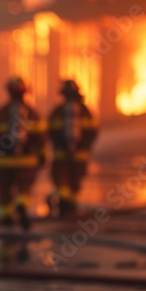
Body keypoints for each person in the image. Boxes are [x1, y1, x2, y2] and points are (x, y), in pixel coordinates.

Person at [0, 77, 45, 232]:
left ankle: (6, 218)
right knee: (24, 187)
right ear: (25, 92)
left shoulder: (0, 114)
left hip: (5, 162)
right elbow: (41, 138)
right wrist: (42, 155)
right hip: (27, 161)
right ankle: (21, 205)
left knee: (4, 189)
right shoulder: (33, 113)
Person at [47, 79, 99, 218]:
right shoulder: (86, 111)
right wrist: (85, 147)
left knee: (61, 179)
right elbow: (93, 132)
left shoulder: (58, 111)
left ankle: (65, 204)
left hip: (61, 155)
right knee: (75, 181)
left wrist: (58, 146)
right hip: (80, 156)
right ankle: (70, 207)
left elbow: (50, 132)